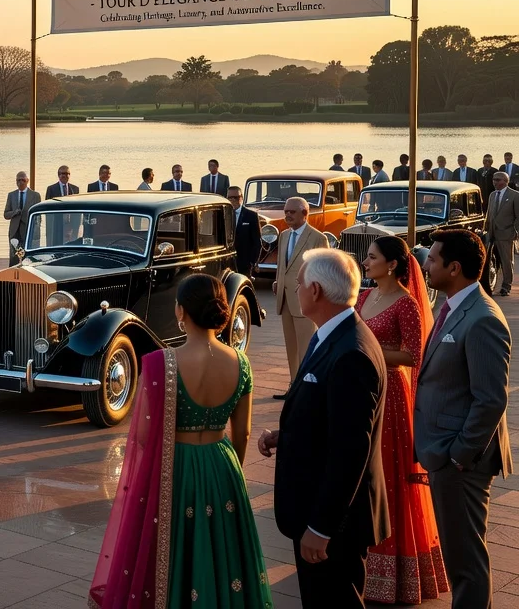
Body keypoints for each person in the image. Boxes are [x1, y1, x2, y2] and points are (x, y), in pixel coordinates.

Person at [91, 274, 273, 609]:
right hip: (222, 464)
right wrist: (231, 473)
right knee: (222, 551)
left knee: (174, 549)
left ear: (180, 311)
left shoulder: (161, 363)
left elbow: (144, 437)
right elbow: (243, 432)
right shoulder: (242, 363)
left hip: (177, 467)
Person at [260, 249, 388, 609]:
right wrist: (286, 437)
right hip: (318, 512)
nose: (293, 289)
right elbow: (330, 421)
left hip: (334, 523)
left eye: (298, 283)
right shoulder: (329, 335)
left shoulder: (351, 352)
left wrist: (321, 528)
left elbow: (350, 451)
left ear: (314, 290)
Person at [417, 230, 513, 609]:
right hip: (446, 453)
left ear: (454, 268)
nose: (425, 264)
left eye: (433, 260)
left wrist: (459, 455)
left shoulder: (483, 319)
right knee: (461, 558)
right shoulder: (454, 307)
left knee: (466, 563)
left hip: (462, 462)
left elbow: (491, 400)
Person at [356, 236, 448, 604]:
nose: (365, 262)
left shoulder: (406, 304)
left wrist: (371, 350)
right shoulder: (364, 297)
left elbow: (415, 355)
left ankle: (395, 570)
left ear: (392, 264)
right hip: (366, 390)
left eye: (373, 257)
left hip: (391, 394)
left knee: (390, 474)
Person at [274, 196, 327, 399]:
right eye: (286, 211)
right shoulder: (284, 236)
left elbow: (322, 271)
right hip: (285, 299)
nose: (287, 215)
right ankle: (293, 386)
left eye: (292, 212)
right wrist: (278, 282)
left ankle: (307, 389)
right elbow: (282, 265)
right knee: (291, 348)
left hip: (305, 302)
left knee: (306, 347)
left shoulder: (317, 238)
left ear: (305, 214)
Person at [486, 171, 518, 295]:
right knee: (490, 261)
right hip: (491, 233)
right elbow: (489, 214)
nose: (495, 182)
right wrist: (487, 229)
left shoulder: (515, 195)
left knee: (506, 261)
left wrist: (514, 231)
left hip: (506, 234)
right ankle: (490, 284)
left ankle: (506, 286)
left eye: (498, 180)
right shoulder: (492, 195)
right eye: (494, 179)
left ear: (506, 181)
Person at [3, 171, 40, 263]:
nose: (20, 182)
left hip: (28, 229)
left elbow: (38, 216)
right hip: (14, 230)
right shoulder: (11, 195)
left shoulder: (35, 195)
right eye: (18, 180)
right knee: (14, 256)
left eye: (23, 180)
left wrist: (36, 230)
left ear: (27, 181)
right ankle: (12, 275)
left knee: (28, 256)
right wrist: (14, 212)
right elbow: (6, 214)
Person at [228, 186, 261, 277]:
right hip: (226, 263)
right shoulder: (223, 215)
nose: (233, 200)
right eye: (230, 198)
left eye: (236, 197)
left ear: (241, 198)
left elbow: (257, 241)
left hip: (245, 263)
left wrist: (253, 262)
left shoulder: (251, 215)